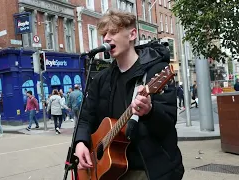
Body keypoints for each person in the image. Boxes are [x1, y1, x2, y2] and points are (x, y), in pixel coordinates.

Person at [74, 10, 184, 180]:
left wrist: (150, 112)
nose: (106, 39)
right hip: (109, 170)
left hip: (147, 169)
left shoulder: (156, 72)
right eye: (104, 34)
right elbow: (85, 117)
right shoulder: (102, 79)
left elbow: (168, 123)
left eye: (113, 32)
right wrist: (81, 142)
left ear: (132, 34)